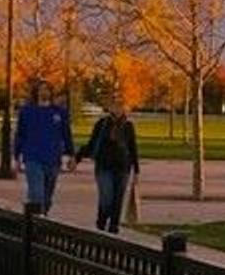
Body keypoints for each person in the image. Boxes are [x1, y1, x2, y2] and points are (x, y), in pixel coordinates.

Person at [13, 86, 72, 215]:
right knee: (36, 194)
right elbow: (20, 134)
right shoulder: (27, 111)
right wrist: (17, 156)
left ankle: (42, 217)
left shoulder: (59, 113)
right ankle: (33, 223)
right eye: (41, 89)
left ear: (51, 93)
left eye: (47, 89)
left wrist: (71, 155)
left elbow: (66, 134)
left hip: (52, 158)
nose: (44, 92)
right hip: (32, 158)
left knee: (47, 197)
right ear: (36, 92)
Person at [85, 102, 142, 232]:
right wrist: (77, 157)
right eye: (115, 105)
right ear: (110, 107)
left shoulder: (128, 126)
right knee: (106, 196)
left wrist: (136, 170)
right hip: (104, 166)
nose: (118, 109)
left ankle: (114, 224)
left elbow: (133, 148)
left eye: (121, 106)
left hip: (123, 167)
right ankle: (102, 220)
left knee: (118, 197)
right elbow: (92, 143)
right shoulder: (102, 124)